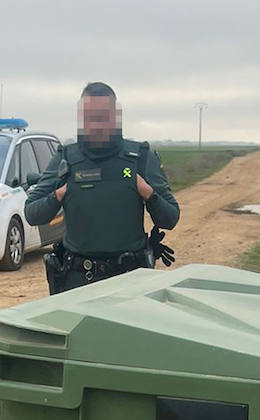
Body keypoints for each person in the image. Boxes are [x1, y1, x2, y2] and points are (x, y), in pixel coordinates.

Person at [25, 82, 180, 295]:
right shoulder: (66, 159)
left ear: (115, 117)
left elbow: (170, 218)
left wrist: (148, 194)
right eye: (90, 117)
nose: (96, 125)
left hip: (130, 281)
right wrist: (58, 195)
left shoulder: (140, 158)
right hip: (78, 282)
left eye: (102, 116)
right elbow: (32, 213)